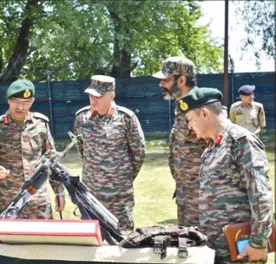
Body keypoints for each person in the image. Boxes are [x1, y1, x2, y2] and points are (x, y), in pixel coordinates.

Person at [179, 88, 273, 264]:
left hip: (241, 252)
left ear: (205, 113)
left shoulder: (241, 141)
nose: (190, 127)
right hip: (218, 250)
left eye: (190, 120)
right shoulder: (213, 146)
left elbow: (260, 194)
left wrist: (259, 243)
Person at [0, 79, 65, 219]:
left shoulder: (41, 124)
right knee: (11, 240)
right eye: (16, 101)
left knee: (45, 240)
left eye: (26, 102)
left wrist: (59, 191)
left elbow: (51, 161)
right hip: (9, 201)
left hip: (38, 200)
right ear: (9, 101)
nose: (20, 107)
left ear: (32, 102)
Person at [74, 75, 145, 233]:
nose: (93, 99)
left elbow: (138, 153)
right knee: (92, 237)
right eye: (91, 95)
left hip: (119, 195)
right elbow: (82, 150)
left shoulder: (126, 118)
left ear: (111, 96)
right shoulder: (81, 118)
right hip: (91, 192)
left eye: (98, 96)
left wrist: (122, 177)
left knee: (122, 238)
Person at [152, 56, 207, 228]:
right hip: (185, 192)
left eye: (166, 79)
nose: (161, 84)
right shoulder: (182, 106)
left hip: (203, 195)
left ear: (181, 80)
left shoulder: (202, 107)